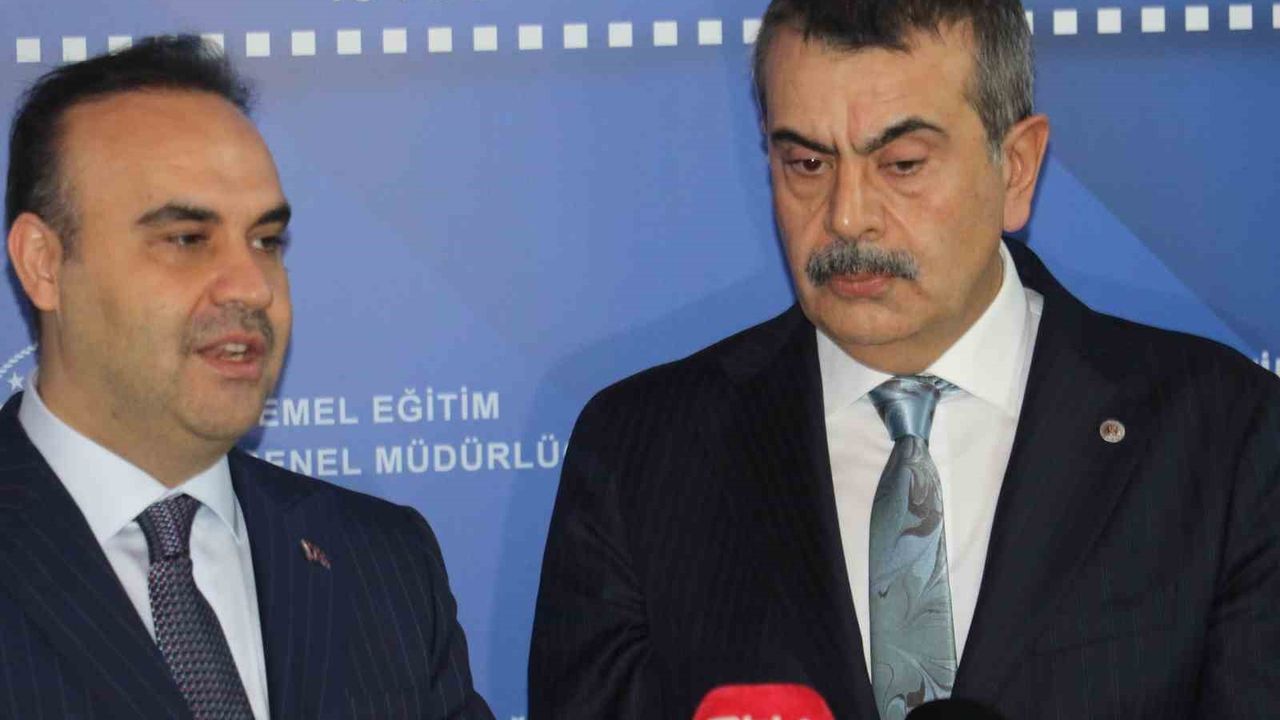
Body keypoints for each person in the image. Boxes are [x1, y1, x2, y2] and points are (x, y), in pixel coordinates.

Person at [529, 0, 1280, 717]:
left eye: (902, 163)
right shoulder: (641, 453)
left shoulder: (1227, 438)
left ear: (1017, 168)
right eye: (807, 163)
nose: (847, 216)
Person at [1, 36, 492, 719]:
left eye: (266, 241)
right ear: (44, 264)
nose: (252, 286)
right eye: (187, 239)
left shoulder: (384, 563)